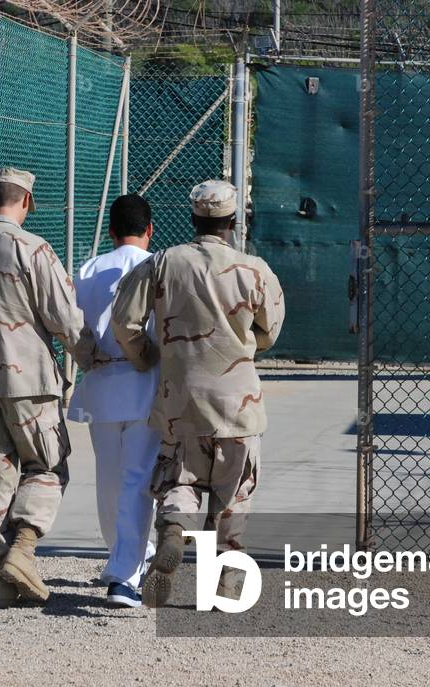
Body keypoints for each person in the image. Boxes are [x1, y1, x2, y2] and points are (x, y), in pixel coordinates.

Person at [111, 180, 286, 608]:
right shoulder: (255, 269)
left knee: (179, 479)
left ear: (193, 218)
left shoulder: (163, 262)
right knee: (233, 493)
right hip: (239, 402)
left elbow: (124, 321)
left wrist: (148, 355)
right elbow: (270, 332)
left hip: (180, 401)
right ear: (232, 222)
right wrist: (244, 345)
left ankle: (172, 529)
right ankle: (224, 582)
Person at [0, 167, 94, 607]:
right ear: (26, 202)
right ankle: (24, 548)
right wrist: (93, 358)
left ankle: (5, 577)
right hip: (28, 379)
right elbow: (65, 319)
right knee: (47, 465)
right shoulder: (33, 248)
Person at [67, 194, 160, 609]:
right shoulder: (158, 266)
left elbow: (75, 324)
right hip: (145, 380)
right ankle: (126, 573)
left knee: (109, 478)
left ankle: (120, 557)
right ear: (150, 229)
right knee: (138, 479)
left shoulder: (88, 268)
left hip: (101, 380)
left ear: (111, 230)